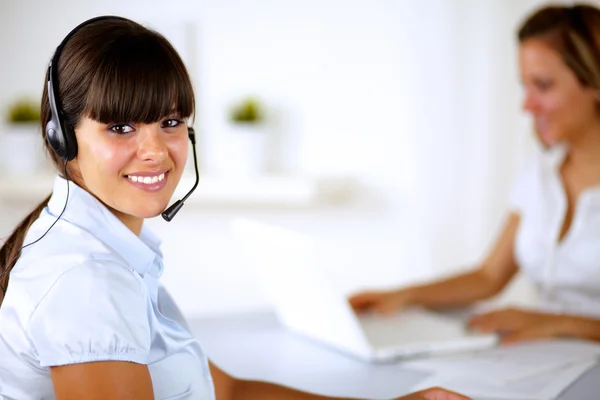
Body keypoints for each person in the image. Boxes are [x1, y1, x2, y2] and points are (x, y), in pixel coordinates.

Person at [0, 16, 469, 400]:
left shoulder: (111, 252)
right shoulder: (85, 280)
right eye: (121, 127)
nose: (156, 151)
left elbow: (227, 390)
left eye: (170, 121)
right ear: (61, 135)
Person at [350, 4, 600, 345]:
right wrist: (402, 296)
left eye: (542, 86)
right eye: (524, 85)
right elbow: (489, 276)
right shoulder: (540, 172)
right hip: (547, 360)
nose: (526, 105)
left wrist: (562, 323)